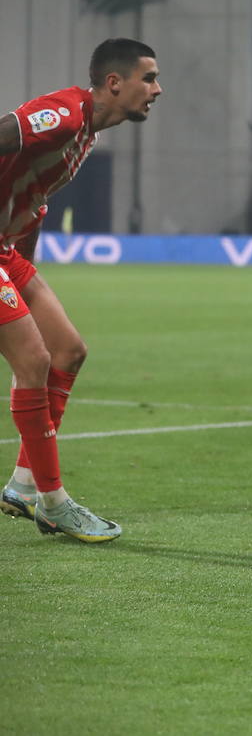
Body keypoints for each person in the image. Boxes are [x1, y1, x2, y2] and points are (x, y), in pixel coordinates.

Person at [0, 38, 163, 542]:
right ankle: (55, 504)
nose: (157, 89)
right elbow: (7, 131)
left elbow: (30, 195)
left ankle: (25, 486)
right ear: (115, 83)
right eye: (149, 78)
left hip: (7, 249)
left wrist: (21, 265)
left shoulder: (87, 134)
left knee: (68, 350)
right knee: (33, 361)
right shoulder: (67, 115)